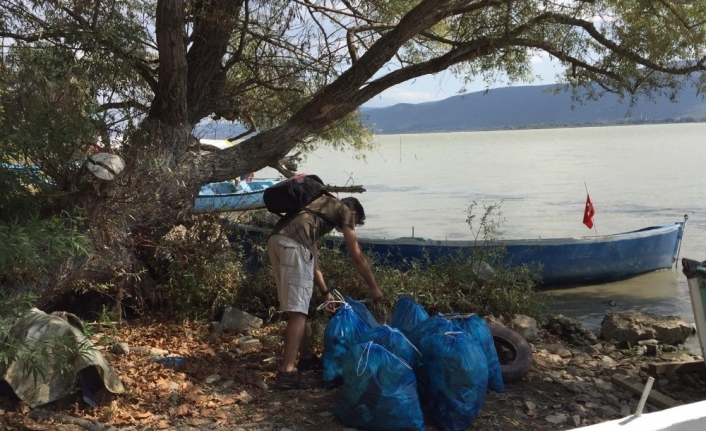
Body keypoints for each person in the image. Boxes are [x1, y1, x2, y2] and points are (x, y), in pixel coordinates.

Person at [267, 194, 383, 389]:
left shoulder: (316, 209)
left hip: (277, 240)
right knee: (299, 312)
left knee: (296, 308)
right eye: (357, 223)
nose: (353, 226)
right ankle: (287, 373)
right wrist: (374, 287)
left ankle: (305, 358)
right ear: (353, 213)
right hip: (293, 246)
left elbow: (313, 261)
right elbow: (357, 256)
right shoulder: (344, 211)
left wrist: (325, 291)